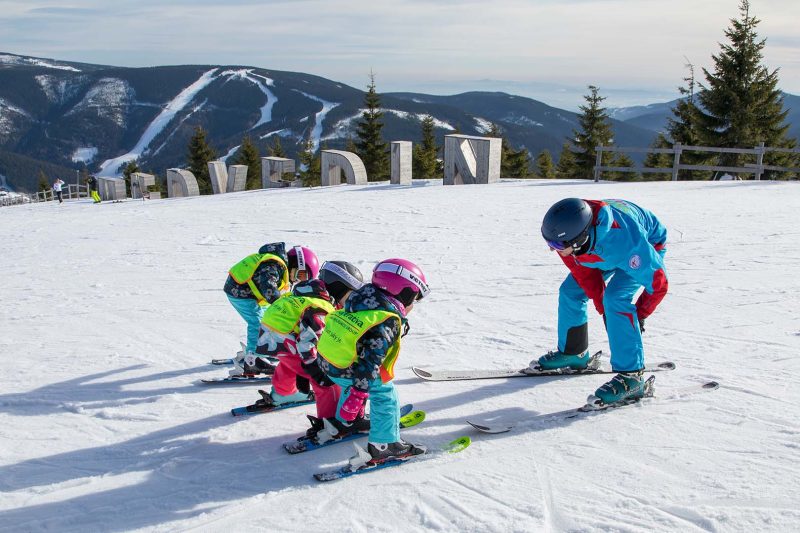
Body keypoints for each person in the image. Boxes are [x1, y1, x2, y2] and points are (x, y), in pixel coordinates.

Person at [536, 198, 668, 406]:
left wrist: (640, 314)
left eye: (555, 245)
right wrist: (602, 310)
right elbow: (585, 276)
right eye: (549, 242)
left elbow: (658, 284)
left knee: (615, 299)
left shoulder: (627, 243)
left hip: (644, 245)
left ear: (578, 239)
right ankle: (574, 352)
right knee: (570, 291)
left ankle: (632, 378)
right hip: (599, 249)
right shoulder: (567, 237)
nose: (553, 249)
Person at [316, 258, 430, 464]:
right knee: (386, 394)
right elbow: (371, 360)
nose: (413, 305)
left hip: (329, 362)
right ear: (404, 293)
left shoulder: (360, 300)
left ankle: (348, 422)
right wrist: (359, 393)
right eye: (414, 298)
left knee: (357, 384)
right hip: (350, 368)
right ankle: (385, 444)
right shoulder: (385, 319)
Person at [254, 261, 364, 436]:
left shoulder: (306, 293)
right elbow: (307, 342)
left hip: (272, 337)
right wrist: (315, 369)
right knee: (327, 382)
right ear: (340, 288)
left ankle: (283, 393)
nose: (350, 301)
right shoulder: (320, 307)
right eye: (350, 294)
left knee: (289, 363)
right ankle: (330, 423)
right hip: (287, 340)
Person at [224, 243, 320, 376]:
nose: (298, 280)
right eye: (301, 275)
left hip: (247, 293)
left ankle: (257, 351)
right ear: (296, 263)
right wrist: (280, 305)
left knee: (266, 322)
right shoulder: (274, 265)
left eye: (303, 279)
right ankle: (252, 361)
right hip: (239, 292)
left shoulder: (279, 266)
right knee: (257, 323)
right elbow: (268, 285)